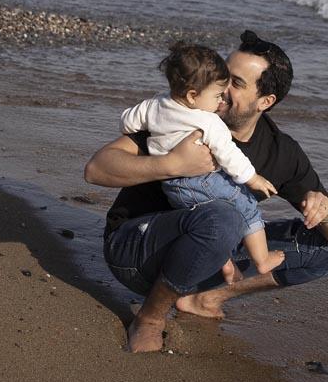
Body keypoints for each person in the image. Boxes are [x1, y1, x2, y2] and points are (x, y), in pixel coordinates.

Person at [85, 30, 328, 353]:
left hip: (207, 250)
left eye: (237, 83)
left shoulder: (281, 152)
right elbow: (97, 169)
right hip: (135, 250)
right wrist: (173, 164)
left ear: (265, 102)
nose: (222, 87)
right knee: (225, 216)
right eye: (224, 75)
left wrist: (324, 210)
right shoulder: (183, 116)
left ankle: (203, 296)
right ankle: (150, 318)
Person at [119, 41, 284, 283]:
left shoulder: (154, 105)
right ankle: (261, 260)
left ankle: (225, 263)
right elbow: (229, 154)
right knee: (246, 206)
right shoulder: (208, 121)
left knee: (209, 222)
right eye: (217, 95)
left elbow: (127, 122)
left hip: (173, 188)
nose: (220, 101)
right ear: (192, 95)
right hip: (203, 181)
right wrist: (253, 178)